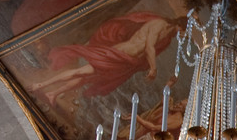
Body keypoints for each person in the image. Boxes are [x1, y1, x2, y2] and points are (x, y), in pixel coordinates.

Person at [30, 11, 185, 105]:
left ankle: (53, 94)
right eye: (185, 32)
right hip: (117, 54)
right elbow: (149, 46)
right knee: (81, 72)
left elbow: (148, 53)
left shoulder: (168, 37)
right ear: (181, 26)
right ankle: (40, 84)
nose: (183, 36)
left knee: (86, 78)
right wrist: (154, 68)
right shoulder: (159, 24)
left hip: (125, 61)